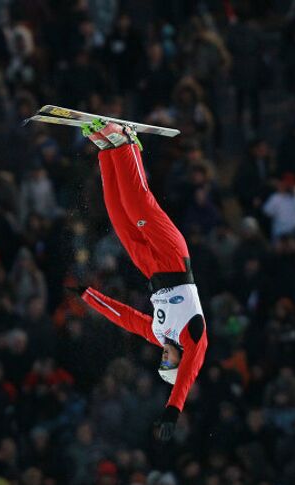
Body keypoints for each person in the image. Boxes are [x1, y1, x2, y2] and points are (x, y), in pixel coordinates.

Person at [72, 119, 208, 442]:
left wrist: (88, 295)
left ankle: (106, 149)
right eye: (168, 363)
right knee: (138, 204)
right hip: (174, 259)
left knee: (117, 213)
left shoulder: (158, 334)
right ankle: (127, 142)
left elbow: (127, 318)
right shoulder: (193, 341)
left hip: (151, 270)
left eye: (162, 361)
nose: (164, 356)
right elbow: (186, 381)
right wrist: (171, 412)